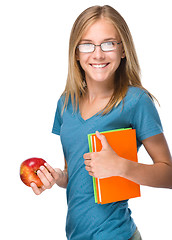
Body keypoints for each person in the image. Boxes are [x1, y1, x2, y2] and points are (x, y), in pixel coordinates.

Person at [30, 5, 172, 240]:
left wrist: (121, 166)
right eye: (87, 45)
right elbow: (76, 175)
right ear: (76, 52)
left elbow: (169, 175)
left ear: (123, 50)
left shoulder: (136, 101)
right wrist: (57, 177)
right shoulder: (65, 104)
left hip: (117, 235)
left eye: (108, 43)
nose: (97, 54)